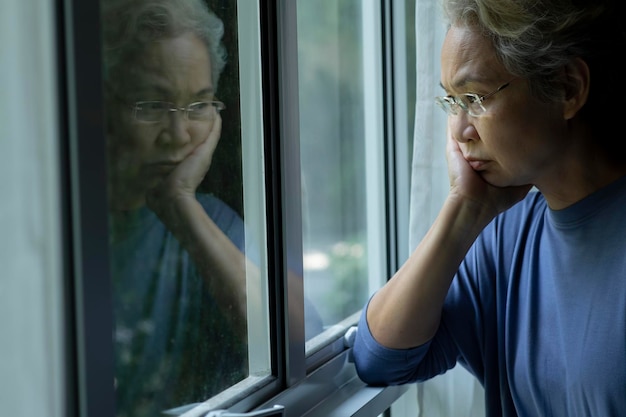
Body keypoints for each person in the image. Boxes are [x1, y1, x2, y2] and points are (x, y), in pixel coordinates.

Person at [353, 0, 626, 415]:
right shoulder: (506, 241)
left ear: (567, 88)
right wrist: (464, 209)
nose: (461, 131)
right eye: (451, 101)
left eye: (475, 97)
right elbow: (380, 358)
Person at [101, 0, 251, 415]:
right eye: (151, 106)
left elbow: (298, 343)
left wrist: (180, 203)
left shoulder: (212, 222)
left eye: (199, 105)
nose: (178, 134)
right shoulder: (50, 232)